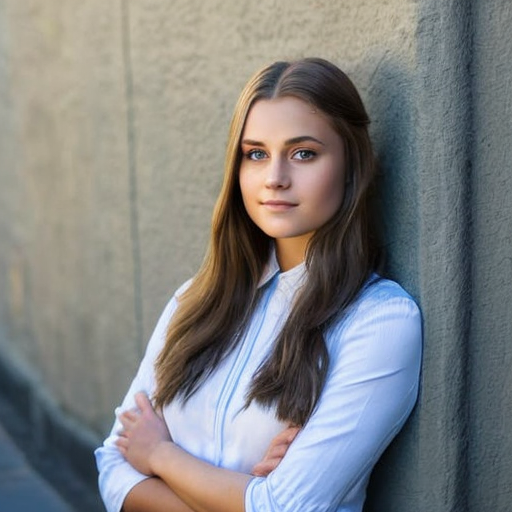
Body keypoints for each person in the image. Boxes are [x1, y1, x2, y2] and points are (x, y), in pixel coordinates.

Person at [95, 57, 422, 512]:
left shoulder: (379, 321)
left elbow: (284, 508)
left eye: (304, 153)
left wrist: (159, 454)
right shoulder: (196, 300)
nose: (275, 178)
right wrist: (242, 491)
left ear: (351, 166)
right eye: (256, 154)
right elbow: (112, 465)